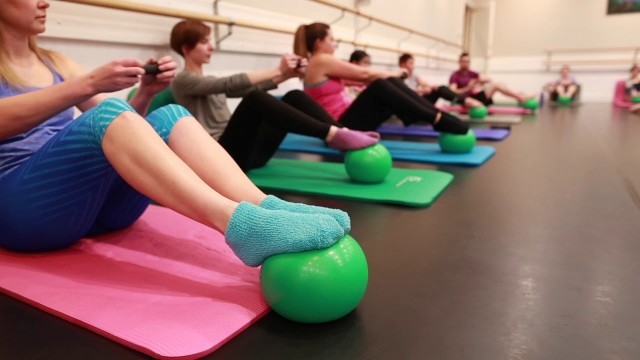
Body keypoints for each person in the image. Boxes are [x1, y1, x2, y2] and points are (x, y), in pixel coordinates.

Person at [0, 0, 348, 268]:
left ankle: (265, 207)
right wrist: (87, 84)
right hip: (24, 215)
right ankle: (241, 226)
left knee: (169, 115)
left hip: (93, 211)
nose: (45, 2)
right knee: (107, 113)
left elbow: (119, 127)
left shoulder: (56, 62)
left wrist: (146, 93)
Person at [170, 20, 378, 172]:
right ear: (187, 48)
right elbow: (228, 83)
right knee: (254, 99)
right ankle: (332, 134)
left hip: (251, 155)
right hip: (222, 159)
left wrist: (286, 75)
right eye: (204, 42)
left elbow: (236, 89)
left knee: (294, 95)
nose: (211, 46)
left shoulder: (206, 81)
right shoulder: (182, 81)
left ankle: (341, 134)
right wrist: (278, 69)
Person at [293, 22, 469, 134]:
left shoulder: (319, 63)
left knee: (386, 83)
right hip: (340, 126)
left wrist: (394, 78)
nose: (334, 43)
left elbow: (362, 79)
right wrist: (397, 74)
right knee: (381, 84)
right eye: (331, 39)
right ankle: (436, 119)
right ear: (319, 42)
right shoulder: (320, 60)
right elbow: (365, 74)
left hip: (349, 121)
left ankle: (437, 117)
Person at [449, 52, 535, 106]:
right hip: (467, 100)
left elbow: (489, 79)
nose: (466, 64)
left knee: (500, 84)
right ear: (459, 62)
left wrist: (480, 82)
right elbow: (452, 92)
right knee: (497, 85)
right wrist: (468, 87)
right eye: (464, 61)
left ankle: (520, 95)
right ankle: (521, 97)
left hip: (477, 96)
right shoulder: (455, 75)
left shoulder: (473, 73)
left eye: (468, 61)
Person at [398, 53, 482, 108]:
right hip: (411, 104)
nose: (413, 66)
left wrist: (432, 87)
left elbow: (425, 84)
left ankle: (464, 101)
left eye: (413, 63)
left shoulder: (414, 75)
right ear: (402, 64)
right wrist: (421, 90)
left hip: (420, 101)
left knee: (440, 88)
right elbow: (404, 92)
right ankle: (465, 101)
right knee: (438, 89)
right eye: (411, 63)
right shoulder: (398, 76)